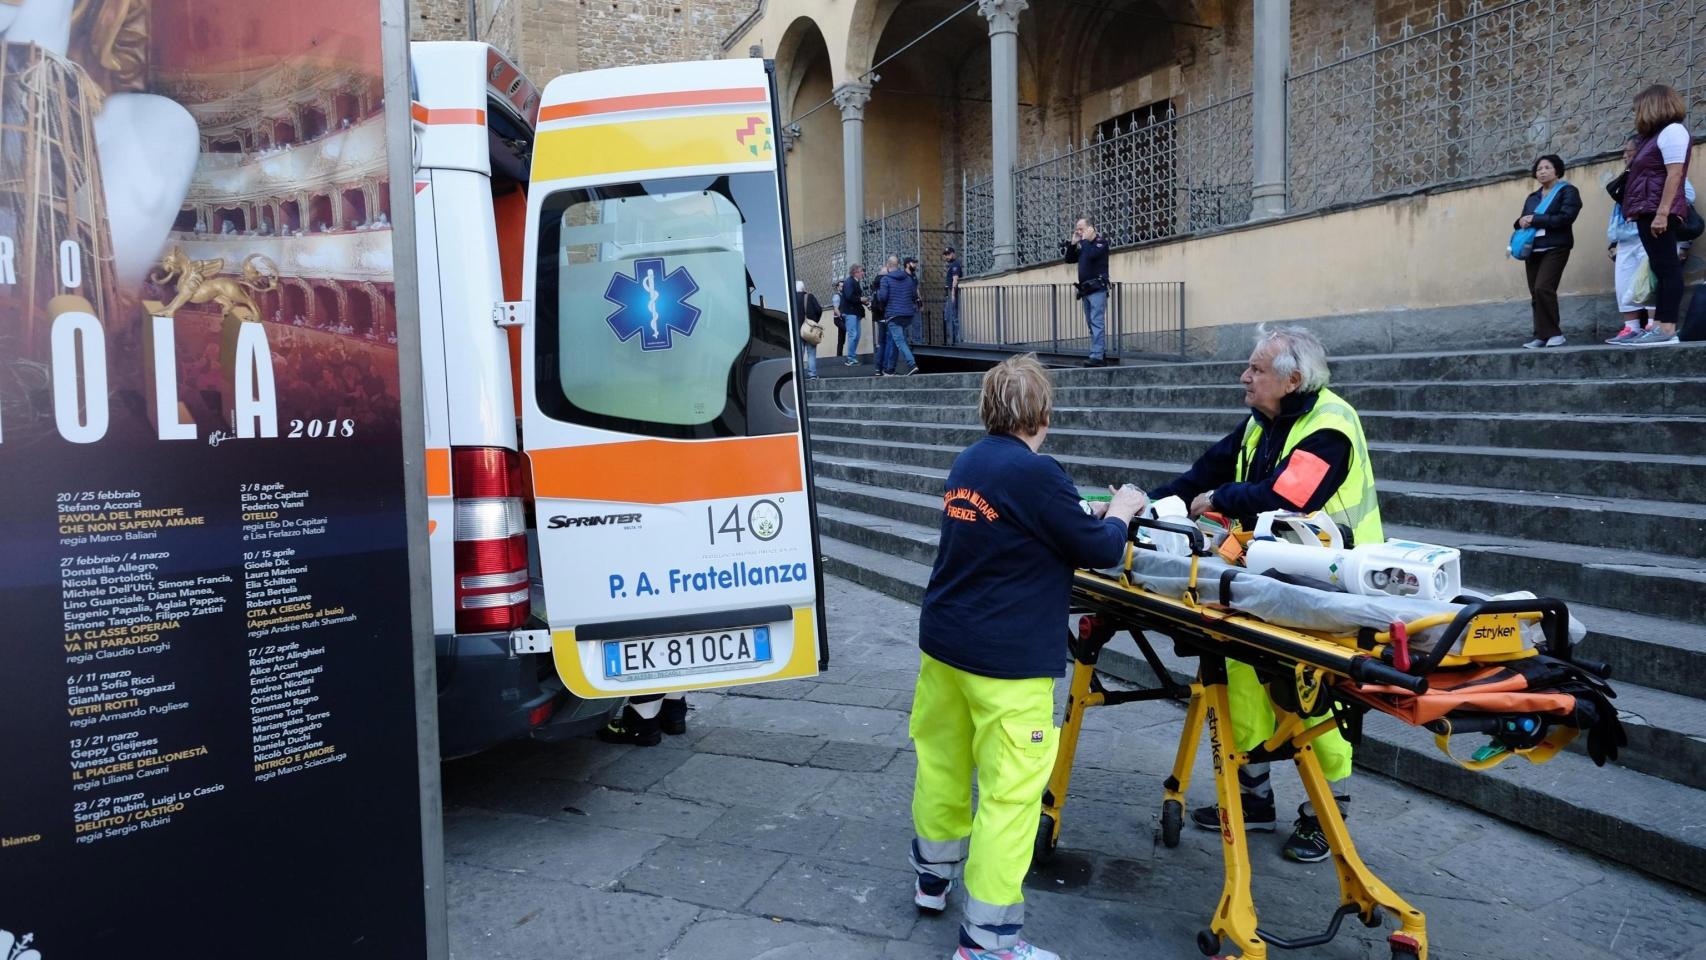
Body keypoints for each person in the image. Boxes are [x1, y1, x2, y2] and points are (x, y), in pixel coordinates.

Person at [911, 354, 1146, 960]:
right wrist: (1120, 511)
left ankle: (932, 880)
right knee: (1010, 797)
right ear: (1042, 413)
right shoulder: (1038, 473)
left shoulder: (970, 460)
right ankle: (987, 942)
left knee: (940, 763)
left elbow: (1019, 525)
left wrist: (1075, 513)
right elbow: (1095, 548)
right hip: (1006, 662)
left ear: (989, 407)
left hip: (945, 644)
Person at [1148, 325, 1381, 864]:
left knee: (1315, 694)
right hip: (1270, 579)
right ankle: (1253, 798)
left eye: (1255, 369)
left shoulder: (1330, 427)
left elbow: (1286, 496)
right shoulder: (1263, 421)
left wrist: (1217, 498)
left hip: (1333, 585)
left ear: (1291, 379)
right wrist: (1144, 503)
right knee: (1243, 676)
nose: (1244, 377)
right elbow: (1201, 472)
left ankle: (1328, 812)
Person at [1619, 84, 1693, 347]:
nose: (1637, 113)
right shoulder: (1654, 137)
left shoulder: (1673, 131)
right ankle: (1660, 327)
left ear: (1653, 106)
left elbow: (1674, 175)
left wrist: (1662, 214)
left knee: (1668, 269)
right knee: (1661, 269)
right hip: (1648, 211)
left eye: (1639, 108)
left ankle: (1666, 328)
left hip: (1659, 212)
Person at [1513, 153, 1581, 349]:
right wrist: (1521, 222)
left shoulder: (1567, 192)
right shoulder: (1533, 197)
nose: (1542, 172)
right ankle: (1541, 335)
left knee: (1544, 287)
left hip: (1556, 246)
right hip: (1532, 249)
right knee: (1535, 292)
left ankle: (1555, 334)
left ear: (1557, 170)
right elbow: (1522, 220)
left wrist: (1535, 219)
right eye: (1539, 169)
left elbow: (1566, 218)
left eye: (1547, 168)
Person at [1062, 218, 1111, 366]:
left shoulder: (1100, 243)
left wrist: (1088, 240)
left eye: (1081, 229)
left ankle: (1096, 356)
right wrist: (1073, 244)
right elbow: (1069, 259)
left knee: (1097, 322)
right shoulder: (1084, 245)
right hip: (1086, 290)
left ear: (1091, 228)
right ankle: (1099, 352)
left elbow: (1092, 256)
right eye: (1077, 228)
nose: (1078, 231)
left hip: (1097, 289)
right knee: (1091, 323)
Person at [875, 255, 920, 377]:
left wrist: (878, 293)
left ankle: (912, 364)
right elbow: (913, 295)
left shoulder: (886, 279)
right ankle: (890, 369)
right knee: (896, 340)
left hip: (894, 315)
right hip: (908, 315)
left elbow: (883, 298)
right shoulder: (908, 278)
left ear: (888, 266)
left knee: (900, 341)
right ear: (898, 265)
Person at [597, 692, 688, 746]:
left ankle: (643, 729)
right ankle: (674, 719)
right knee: (672, 666)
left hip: (643, 722)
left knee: (647, 666)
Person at [794, 279, 822, 380]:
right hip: (810, 330)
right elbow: (819, 309)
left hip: (798, 331)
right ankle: (812, 374)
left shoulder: (792, 298)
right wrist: (814, 321)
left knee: (799, 354)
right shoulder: (809, 296)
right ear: (803, 288)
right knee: (811, 353)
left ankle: (799, 376)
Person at [841, 264, 867, 366]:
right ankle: (850, 358)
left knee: (857, 335)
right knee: (853, 335)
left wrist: (865, 302)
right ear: (855, 272)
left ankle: (852, 356)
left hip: (855, 313)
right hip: (850, 312)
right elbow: (849, 296)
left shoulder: (855, 282)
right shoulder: (849, 282)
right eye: (861, 271)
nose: (863, 273)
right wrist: (861, 299)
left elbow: (855, 297)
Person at [943, 245, 964, 344]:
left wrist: (952, 295)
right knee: (949, 317)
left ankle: (956, 340)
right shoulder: (952, 265)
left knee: (953, 318)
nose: (947, 256)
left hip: (953, 295)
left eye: (948, 254)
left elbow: (955, 280)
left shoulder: (955, 264)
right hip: (950, 295)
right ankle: (953, 340)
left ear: (953, 254)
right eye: (945, 255)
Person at [831, 278, 847, 357]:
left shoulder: (844, 296)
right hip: (838, 319)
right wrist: (841, 316)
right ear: (838, 288)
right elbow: (836, 309)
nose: (842, 288)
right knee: (848, 330)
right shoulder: (837, 296)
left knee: (841, 338)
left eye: (843, 286)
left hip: (843, 318)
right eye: (841, 287)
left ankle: (839, 356)